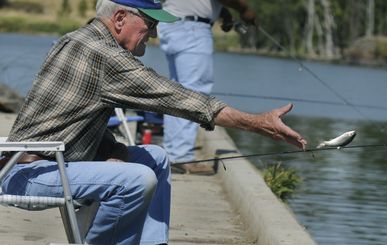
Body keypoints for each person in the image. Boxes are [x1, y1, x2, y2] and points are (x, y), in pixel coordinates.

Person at [0, 0, 306, 244]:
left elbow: (72, 116)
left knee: (156, 158)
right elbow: (177, 97)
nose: (155, 33)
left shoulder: (80, 39)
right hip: (30, 172)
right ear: (120, 18)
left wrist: (111, 149)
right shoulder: (105, 55)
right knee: (136, 179)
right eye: (150, 23)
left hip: (53, 159)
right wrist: (257, 122)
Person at [158, 0, 257, 173]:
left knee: (177, 92)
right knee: (194, 93)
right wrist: (245, 9)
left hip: (173, 24)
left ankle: (173, 153)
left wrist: (222, 13)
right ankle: (181, 156)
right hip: (192, 29)